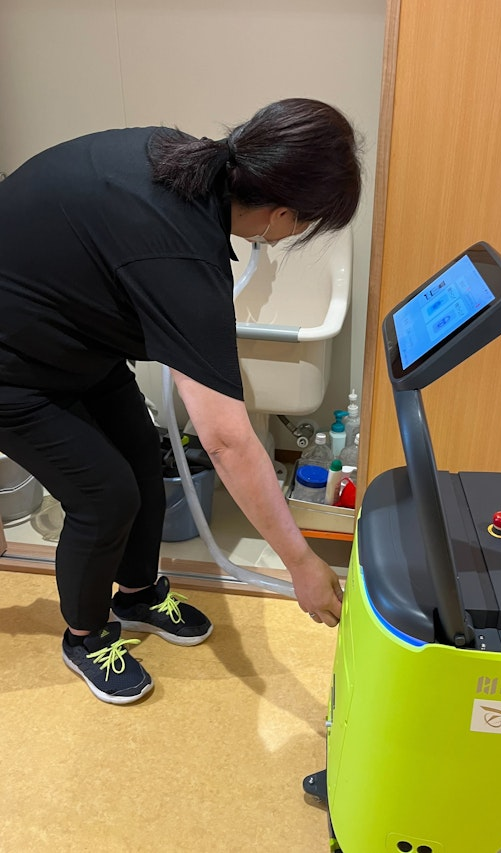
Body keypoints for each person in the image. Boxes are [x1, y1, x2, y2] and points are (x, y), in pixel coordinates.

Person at [0, 98, 362, 704]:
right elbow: (225, 439)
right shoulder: (181, 248)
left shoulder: (182, 159)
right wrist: (301, 562)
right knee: (105, 495)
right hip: (13, 365)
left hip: (73, 336)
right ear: (281, 213)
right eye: (305, 226)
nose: (295, 237)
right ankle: (85, 635)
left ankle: (137, 593)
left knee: (145, 458)